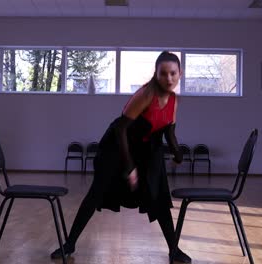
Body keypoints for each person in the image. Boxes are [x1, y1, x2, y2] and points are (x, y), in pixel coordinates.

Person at [51, 51, 191, 263]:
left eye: (173, 73)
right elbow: (120, 129)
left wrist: (178, 154)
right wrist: (129, 167)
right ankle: (69, 245)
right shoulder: (146, 94)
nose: (168, 78)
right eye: (163, 73)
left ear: (180, 74)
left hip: (147, 149)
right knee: (96, 194)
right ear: (156, 74)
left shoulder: (173, 100)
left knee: (160, 198)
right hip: (117, 147)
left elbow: (169, 131)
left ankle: (174, 250)